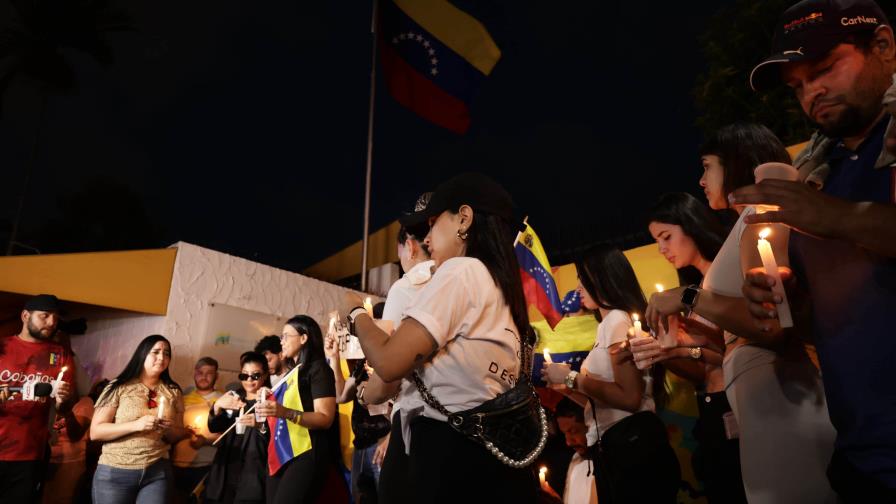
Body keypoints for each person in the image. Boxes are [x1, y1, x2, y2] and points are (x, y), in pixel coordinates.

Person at [734, 0, 896, 499]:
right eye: (797, 85)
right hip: (862, 456)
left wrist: (832, 218)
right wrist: (781, 300)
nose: (812, 92)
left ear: (884, 48)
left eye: (824, 68)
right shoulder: (816, 174)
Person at [645, 124, 838, 503]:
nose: (701, 180)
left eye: (707, 167)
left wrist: (688, 297)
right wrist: (700, 340)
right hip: (762, 397)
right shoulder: (745, 224)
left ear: (734, 162)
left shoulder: (757, 217)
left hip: (778, 395)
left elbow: (770, 324)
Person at [340, 172, 541, 503]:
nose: (427, 239)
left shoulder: (462, 271)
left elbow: (389, 363)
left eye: (433, 224)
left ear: (464, 218)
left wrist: (356, 315)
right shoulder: (503, 291)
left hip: (449, 454)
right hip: (491, 460)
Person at [542, 245, 680, 503]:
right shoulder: (607, 325)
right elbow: (603, 403)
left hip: (631, 451)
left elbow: (628, 398)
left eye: (584, 280)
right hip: (614, 447)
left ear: (603, 279)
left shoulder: (616, 320)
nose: (578, 288)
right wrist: (566, 388)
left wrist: (572, 378)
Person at [639, 192, 747, 504]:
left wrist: (688, 346)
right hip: (712, 404)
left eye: (666, 237)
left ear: (691, 225)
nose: (662, 249)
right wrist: (668, 352)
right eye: (657, 241)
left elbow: (743, 343)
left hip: (739, 402)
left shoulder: (724, 273)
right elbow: (704, 365)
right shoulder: (697, 287)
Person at [90, 335, 188, 504]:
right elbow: (96, 432)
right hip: (116, 470)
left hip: (157, 471)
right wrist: (136, 425)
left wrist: (169, 429)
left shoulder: (173, 390)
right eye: (155, 352)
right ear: (142, 354)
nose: (161, 358)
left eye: (166, 354)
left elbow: (178, 433)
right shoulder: (119, 386)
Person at [253, 315, 340, 504]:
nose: (281, 342)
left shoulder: (319, 369)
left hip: (306, 452)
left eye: (285, 336)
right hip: (281, 451)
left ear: (304, 338)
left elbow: (325, 418)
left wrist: (285, 412)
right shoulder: (290, 374)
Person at [0, 294, 75, 501]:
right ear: (25, 316)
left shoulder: (60, 355)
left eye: (56, 318)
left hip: (30, 454)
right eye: (45, 316)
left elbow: (64, 408)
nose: (52, 323)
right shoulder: (2, 348)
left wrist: (63, 400)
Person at [205, 352, 271, 504]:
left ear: (265, 375)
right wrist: (217, 407)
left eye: (255, 376)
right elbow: (214, 427)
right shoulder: (234, 398)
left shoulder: (270, 401)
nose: (249, 380)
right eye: (244, 375)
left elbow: (275, 438)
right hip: (226, 465)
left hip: (253, 469)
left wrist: (259, 425)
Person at [172, 357, 223, 501]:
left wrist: (205, 440)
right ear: (194, 374)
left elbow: (228, 436)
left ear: (216, 376)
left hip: (206, 465)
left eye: (209, 373)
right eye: (200, 372)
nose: (204, 377)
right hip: (177, 464)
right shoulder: (182, 399)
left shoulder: (223, 400)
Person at [43, 391, 93, 504]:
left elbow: (75, 434)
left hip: (70, 463)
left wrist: (65, 409)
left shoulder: (84, 402)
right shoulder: (45, 399)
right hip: (44, 459)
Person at [553, 398, 597, 504]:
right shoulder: (576, 459)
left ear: (591, 426)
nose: (568, 442)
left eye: (573, 431)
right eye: (564, 434)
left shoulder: (609, 464)